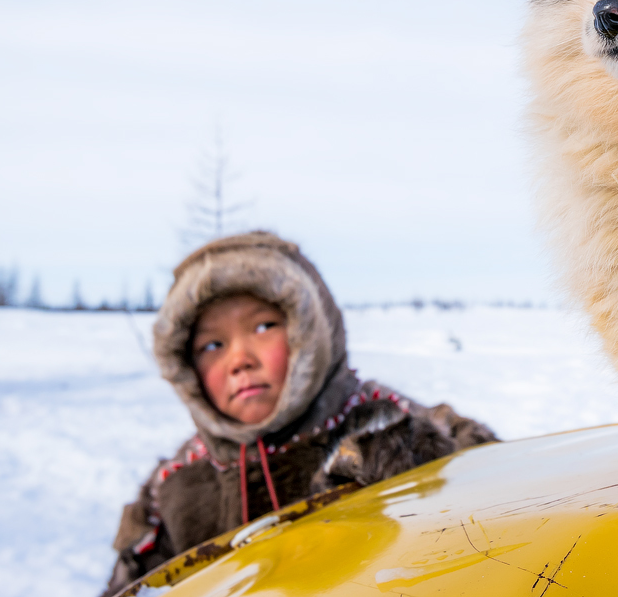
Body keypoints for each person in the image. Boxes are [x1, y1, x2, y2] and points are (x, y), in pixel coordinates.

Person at [102, 232, 497, 595]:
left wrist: (422, 464)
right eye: (212, 345)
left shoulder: (386, 421)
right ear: (185, 367)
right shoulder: (175, 483)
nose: (239, 359)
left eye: (263, 326)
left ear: (311, 332)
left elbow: (502, 492)